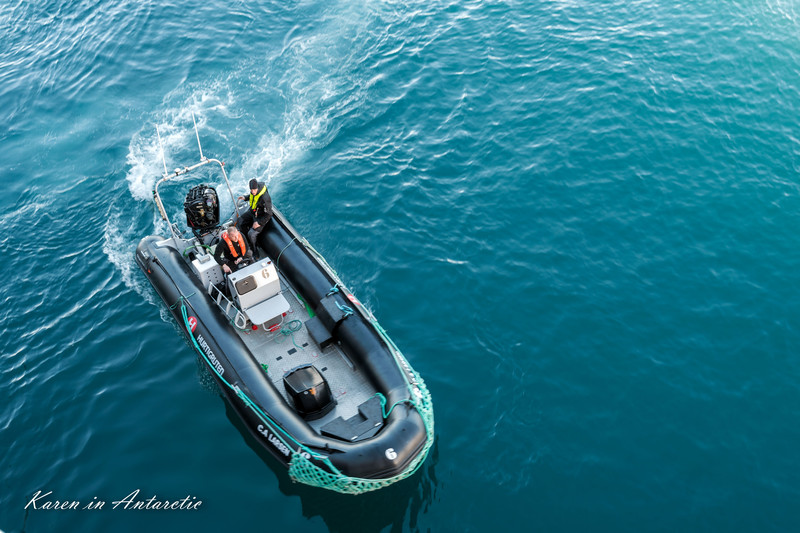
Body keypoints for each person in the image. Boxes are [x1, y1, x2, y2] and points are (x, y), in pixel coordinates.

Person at [237, 178, 272, 251]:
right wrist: (245, 197)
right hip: (253, 211)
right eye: (251, 190)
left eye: (254, 190)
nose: (252, 191)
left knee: (251, 234)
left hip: (261, 217)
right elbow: (252, 197)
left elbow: (269, 214)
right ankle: (246, 241)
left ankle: (254, 248)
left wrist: (259, 223)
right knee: (240, 221)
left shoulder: (265, 198)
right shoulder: (253, 192)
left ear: (257, 188)